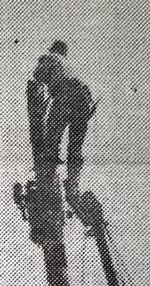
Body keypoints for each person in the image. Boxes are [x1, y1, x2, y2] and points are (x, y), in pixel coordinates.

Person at [32, 40, 96, 212]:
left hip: (65, 95)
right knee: (75, 147)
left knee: (51, 138)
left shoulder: (50, 57)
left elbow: (37, 75)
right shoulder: (72, 66)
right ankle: (72, 185)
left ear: (54, 49)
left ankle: (49, 178)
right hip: (84, 99)